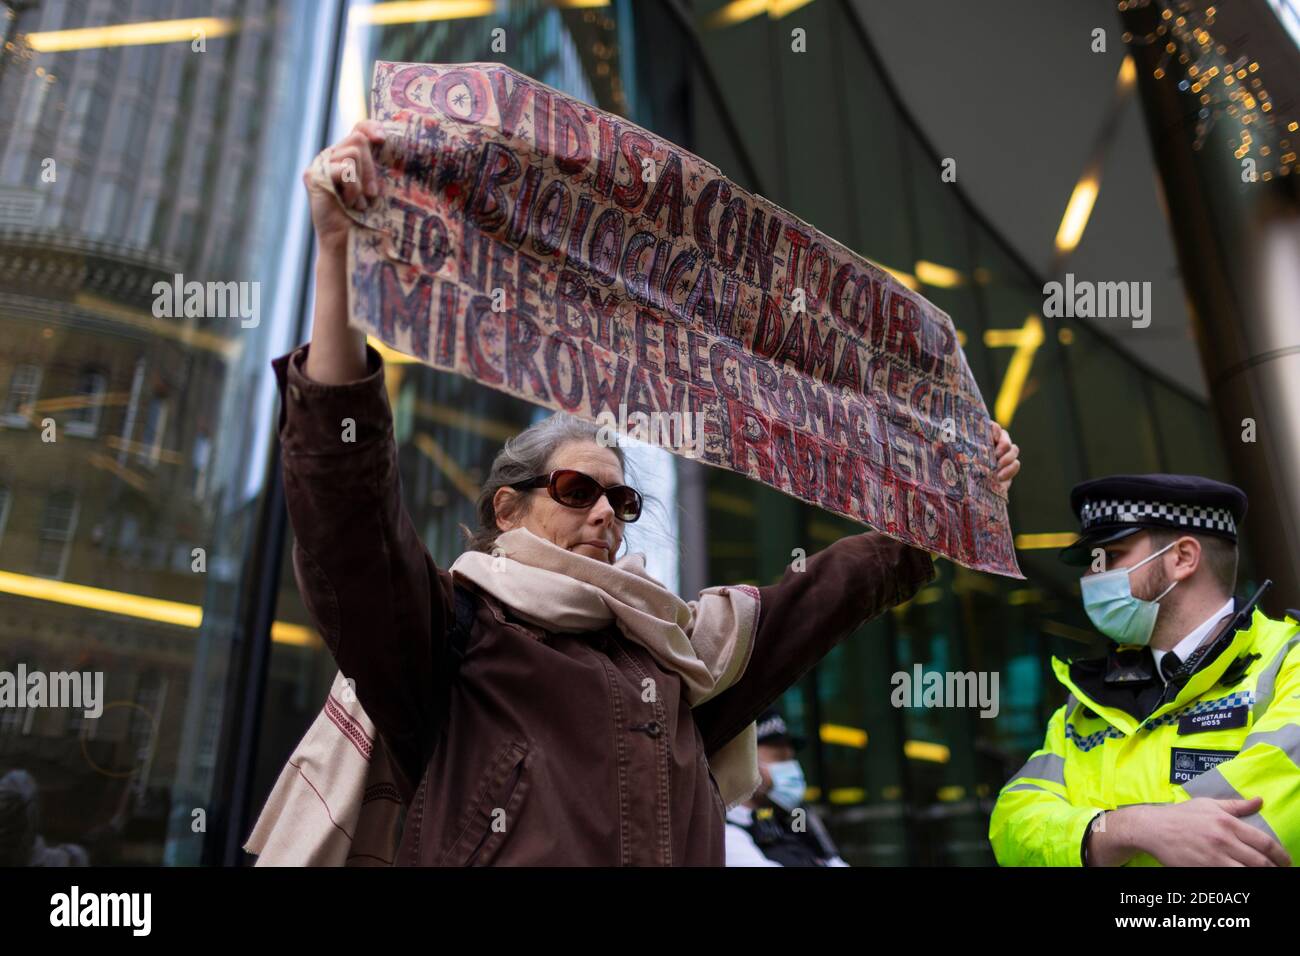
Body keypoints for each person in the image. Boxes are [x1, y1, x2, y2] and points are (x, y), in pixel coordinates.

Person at [262, 120, 1022, 866]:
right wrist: (337, 254)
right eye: (573, 489)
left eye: (622, 503)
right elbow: (348, 519)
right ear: (507, 508)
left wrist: (956, 497)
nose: (603, 513)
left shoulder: (683, 659)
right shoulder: (450, 635)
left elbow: (830, 591)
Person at [990, 474, 1299, 867]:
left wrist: (1089, 842)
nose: (1088, 578)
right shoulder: (1084, 704)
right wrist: (1133, 828)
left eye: (1110, 556)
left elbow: (1255, 835)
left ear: (1183, 558)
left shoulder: (1289, 662)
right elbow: (1013, 827)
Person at [725, 709, 847, 866]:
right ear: (745, 763)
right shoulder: (725, 832)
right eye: (779, 758)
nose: (791, 768)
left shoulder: (795, 820)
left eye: (791, 759)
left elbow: (834, 862)